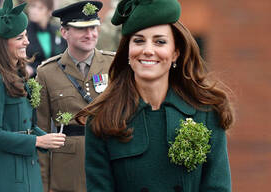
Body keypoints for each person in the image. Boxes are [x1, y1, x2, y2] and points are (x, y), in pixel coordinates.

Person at [76, 0, 235, 191]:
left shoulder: (207, 112)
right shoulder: (102, 119)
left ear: (175, 52)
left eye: (160, 41)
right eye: (139, 41)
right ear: (127, 50)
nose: (148, 50)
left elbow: (217, 188)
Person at [0, 1, 66, 191]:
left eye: (25, 35)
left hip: (30, 170)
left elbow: (27, 127)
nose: (27, 42)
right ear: (3, 43)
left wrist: (49, 139)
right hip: (7, 175)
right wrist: (37, 141)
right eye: (19, 38)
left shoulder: (17, 73)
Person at [36, 1, 114, 192]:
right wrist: (44, 187)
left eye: (93, 27)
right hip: (66, 174)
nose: (90, 34)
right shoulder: (46, 72)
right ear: (64, 32)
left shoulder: (113, 65)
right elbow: (41, 132)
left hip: (107, 163)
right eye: (82, 29)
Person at [25, 0, 67, 78]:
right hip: (32, 79)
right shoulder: (24, 32)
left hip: (56, 77)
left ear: (49, 11)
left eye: (40, 8)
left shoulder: (58, 31)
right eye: (32, 6)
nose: (34, 11)